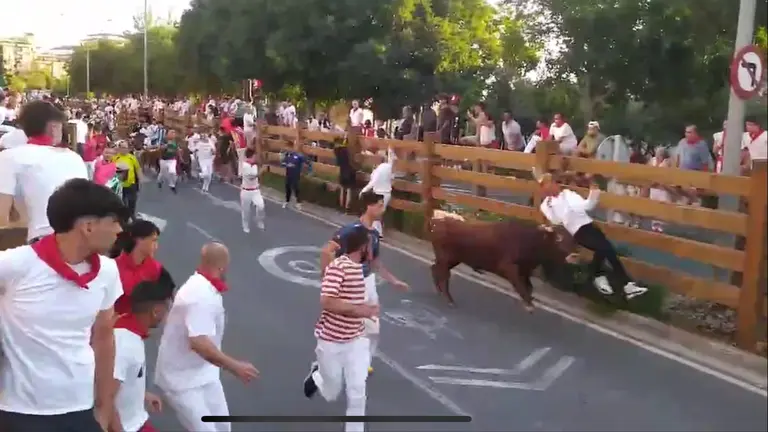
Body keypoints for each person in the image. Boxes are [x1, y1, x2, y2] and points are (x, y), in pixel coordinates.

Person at [0, 178, 128, 431]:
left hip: (80, 407)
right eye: (114, 221)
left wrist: (104, 407)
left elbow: (103, 338)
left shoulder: (108, 272)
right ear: (88, 227)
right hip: (20, 410)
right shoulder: (17, 264)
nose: (120, 230)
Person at [154, 242, 259, 432]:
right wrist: (235, 366)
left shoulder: (203, 287)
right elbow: (199, 343)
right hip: (179, 379)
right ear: (222, 267)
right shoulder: (200, 295)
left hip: (204, 372)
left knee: (223, 428)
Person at [320, 192, 409, 375]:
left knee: (373, 327)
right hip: (351, 282)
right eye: (379, 205)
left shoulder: (374, 234)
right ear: (369, 206)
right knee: (346, 324)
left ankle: (363, 361)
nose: (382, 210)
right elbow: (326, 251)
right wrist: (328, 278)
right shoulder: (350, 230)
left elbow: (375, 262)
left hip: (368, 282)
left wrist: (393, 280)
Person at [304, 226, 379, 432]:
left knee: (357, 393)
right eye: (370, 245)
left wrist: (370, 309)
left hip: (356, 340)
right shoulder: (339, 267)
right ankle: (317, 375)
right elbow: (327, 301)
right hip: (331, 341)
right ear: (362, 247)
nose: (372, 250)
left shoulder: (361, 270)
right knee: (331, 393)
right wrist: (360, 310)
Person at [533, 168, 648, 299]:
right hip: (579, 232)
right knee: (606, 249)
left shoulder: (568, 194)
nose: (550, 186)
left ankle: (604, 277)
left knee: (607, 250)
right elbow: (557, 220)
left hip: (590, 226)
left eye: (551, 183)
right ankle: (622, 283)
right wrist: (551, 207)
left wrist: (594, 194)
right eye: (546, 185)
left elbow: (586, 206)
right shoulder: (547, 205)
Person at [0, 101, 88, 243]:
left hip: (40, 243)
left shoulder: (9, 157)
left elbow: (2, 218)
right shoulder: (75, 158)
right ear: (53, 127)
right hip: (81, 242)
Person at [110, 281, 175, 432]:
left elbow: (123, 377)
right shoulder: (124, 343)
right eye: (167, 309)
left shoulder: (131, 336)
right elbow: (105, 397)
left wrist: (142, 395)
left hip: (138, 421)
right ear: (156, 311)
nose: (167, 316)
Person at [110, 219, 176, 315]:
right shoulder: (113, 267)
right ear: (139, 240)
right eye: (153, 240)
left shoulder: (156, 269)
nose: (156, 246)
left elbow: (168, 297)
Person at [359, 159, 394, 237]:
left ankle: (377, 231)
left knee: (374, 212)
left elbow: (373, 182)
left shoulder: (378, 170)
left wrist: (364, 190)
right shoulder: (389, 167)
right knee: (380, 212)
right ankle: (377, 230)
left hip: (379, 192)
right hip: (387, 192)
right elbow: (392, 178)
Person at [113, 140, 143, 221]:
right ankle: (124, 219)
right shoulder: (115, 158)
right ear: (119, 148)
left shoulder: (132, 157)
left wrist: (140, 180)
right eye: (122, 147)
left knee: (132, 202)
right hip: (120, 185)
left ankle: (132, 216)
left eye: (125, 148)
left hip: (131, 184)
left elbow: (138, 169)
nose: (124, 149)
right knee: (122, 203)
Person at [240, 148, 266, 233]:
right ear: (252, 156)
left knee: (261, 206)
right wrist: (261, 172)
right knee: (246, 210)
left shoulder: (255, 165)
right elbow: (251, 178)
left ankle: (259, 220)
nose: (256, 157)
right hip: (246, 191)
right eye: (255, 155)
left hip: (255, 191)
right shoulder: (244, 166)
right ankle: (245, 225)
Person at [158, 129, 180, 193]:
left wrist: (178, 151)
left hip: (172, 159)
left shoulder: (175, 141)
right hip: (164, 160)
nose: (173, 134)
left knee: (172, 172)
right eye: (171, 133)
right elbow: (161, 147)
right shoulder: (164, 139)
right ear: (168, 134)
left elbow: (177, 148)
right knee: (162, 173)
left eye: (174, 133)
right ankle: (159, 181)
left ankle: (172, 185)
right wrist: (167, 144)